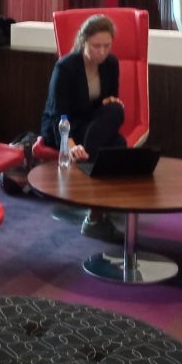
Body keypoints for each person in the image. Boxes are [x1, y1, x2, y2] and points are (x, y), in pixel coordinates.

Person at [38, 14, 125, 242]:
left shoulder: (111, 64)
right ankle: (95, 213)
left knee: (117, 110)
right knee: (118, 144)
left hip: (91, 126)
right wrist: (70, 145)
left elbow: (107, 102)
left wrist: (110, 104)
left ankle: (93, 205)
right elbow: (59, 114)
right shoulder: (65, 67)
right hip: (63, 127)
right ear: (83, 41)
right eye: (96, 46)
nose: (102, 52)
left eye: (107, 46)